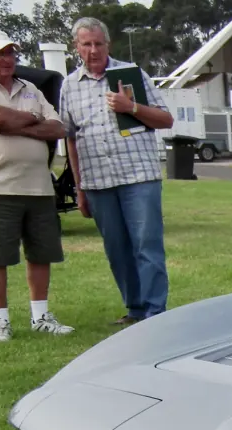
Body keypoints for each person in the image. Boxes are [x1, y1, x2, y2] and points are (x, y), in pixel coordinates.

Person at [59, 16, 173, 326]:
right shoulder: (69, 85)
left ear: (108, 44)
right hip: (98, 181)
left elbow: (166, 120)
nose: (93, 50)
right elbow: (71, 137)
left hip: (138, 176)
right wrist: (79, 188)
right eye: (87, 44)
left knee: (146, 245)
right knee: (117, 250)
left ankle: (154, 313)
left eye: (99, 43)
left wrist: (131, 107)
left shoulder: (130, 75)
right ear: (76, 47)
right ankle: (135, 310)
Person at [0, 29, 73, 342]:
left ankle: (41, 316)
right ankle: (0, 322)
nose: (7, 59)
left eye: (10, 53)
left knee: (41, 253)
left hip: (39, 188)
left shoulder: (31, 88)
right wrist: (33, 122)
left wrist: (17, 124)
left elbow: (58, 128)